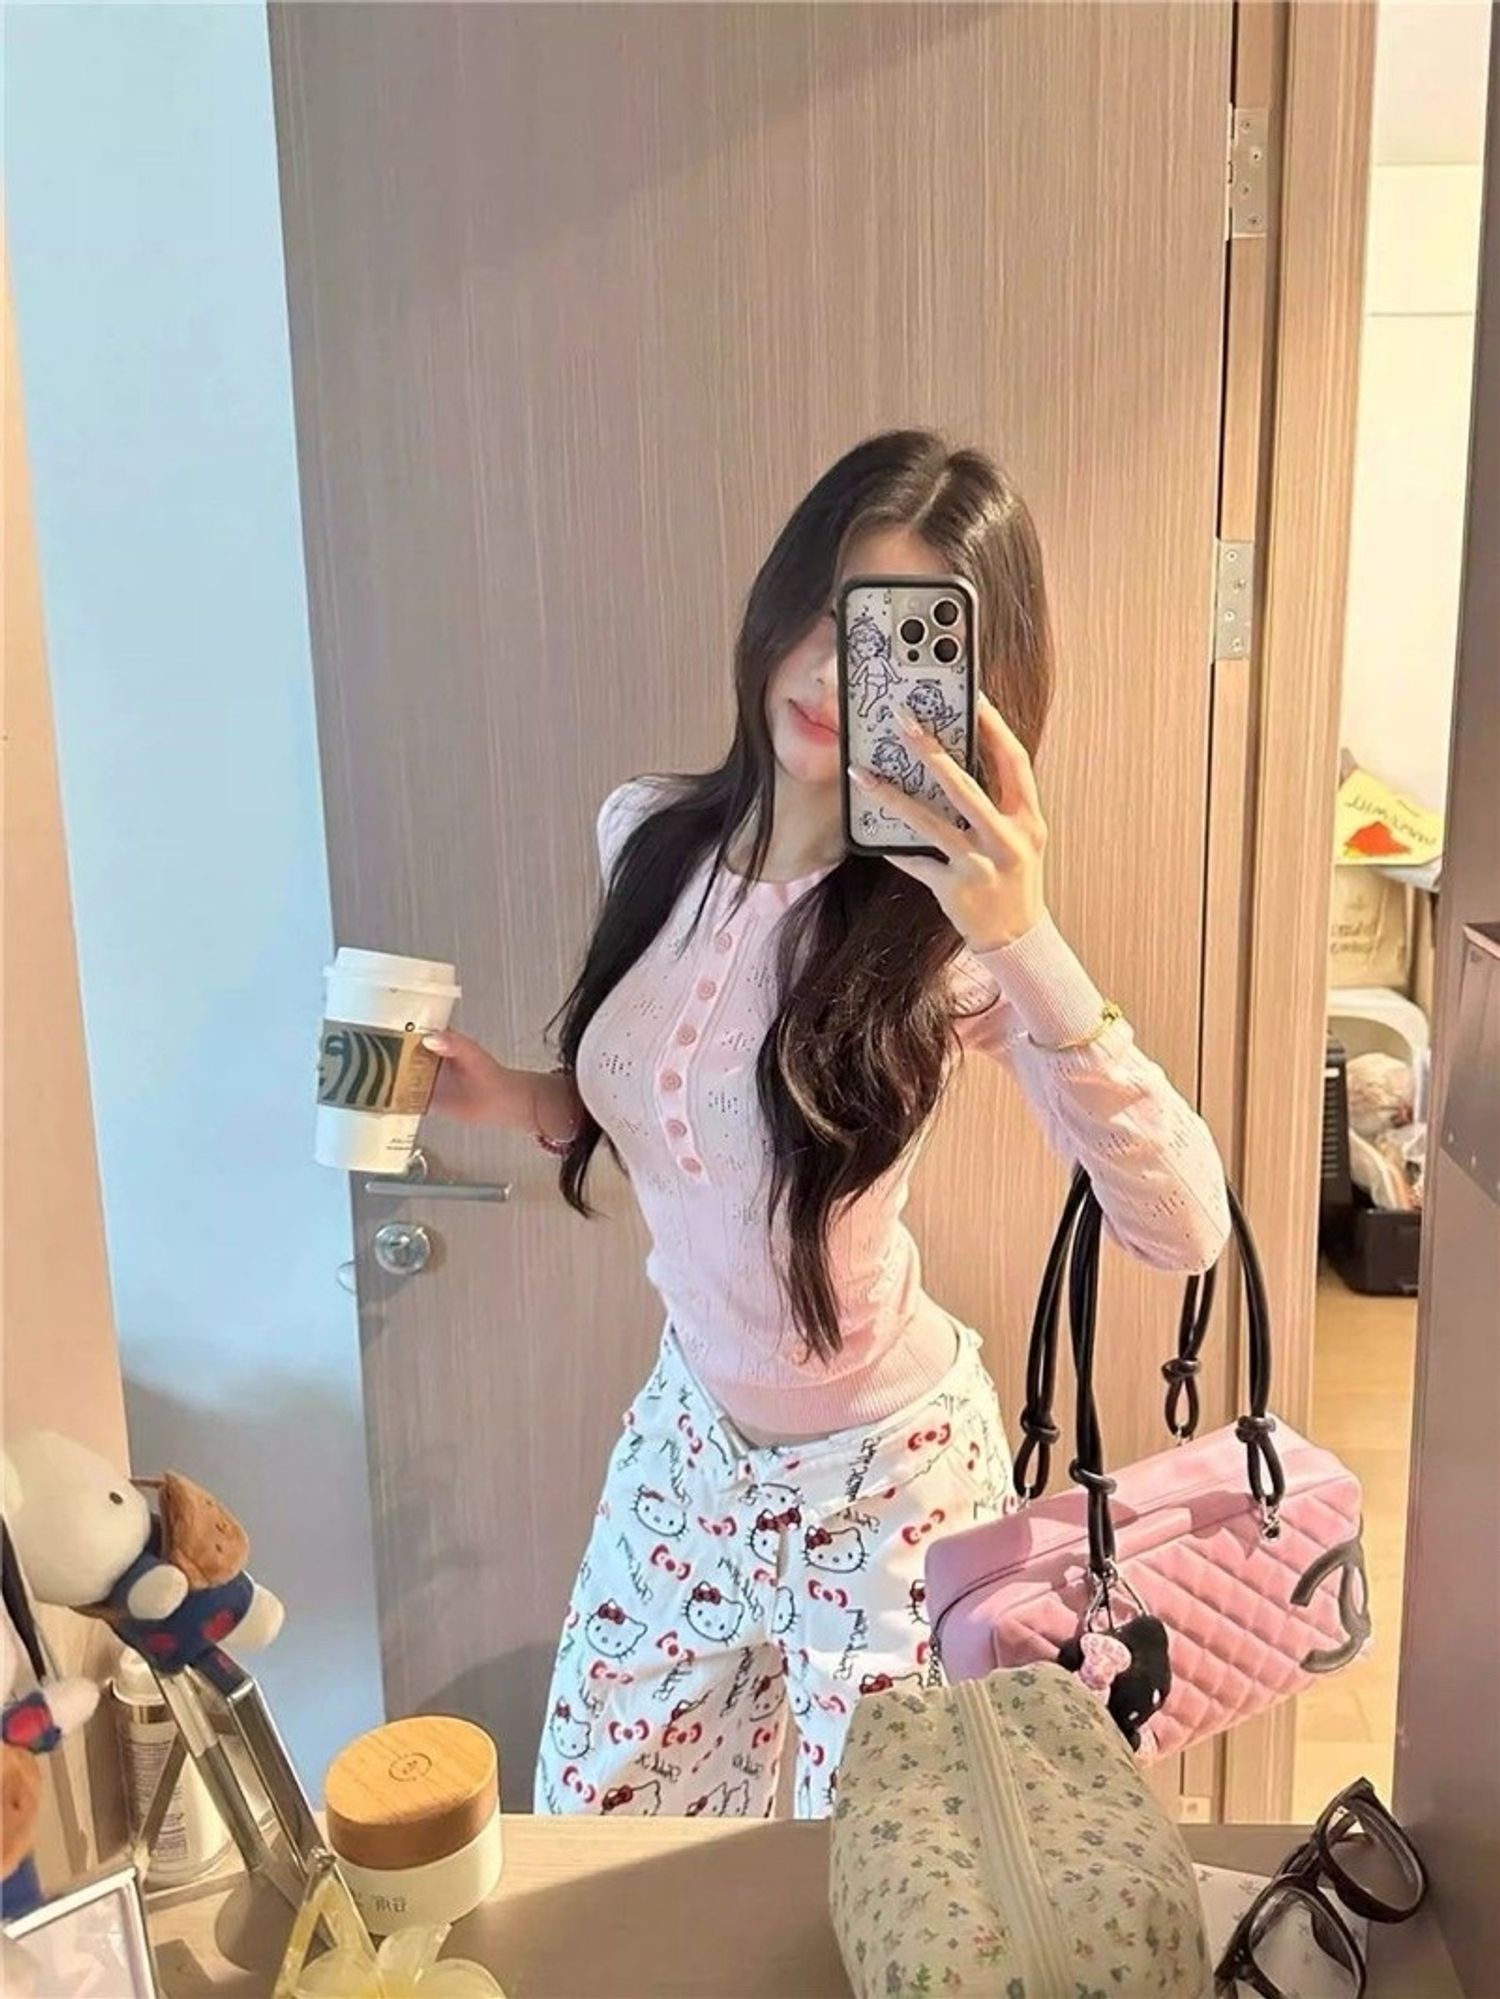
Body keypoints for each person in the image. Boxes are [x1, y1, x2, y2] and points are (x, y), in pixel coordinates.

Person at [425, 431, 1229, 1819]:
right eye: (820, 609)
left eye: (884, 642)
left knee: (882, 1876)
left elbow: (1183, 1225)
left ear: (965, 688)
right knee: (597, 1826)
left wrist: (1023, 933)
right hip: (690, 1448)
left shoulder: (946, 938)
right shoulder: (648, 837)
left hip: (888, 1485)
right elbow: (677, 1101)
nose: (824, 670)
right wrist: (510, 1095)